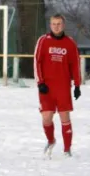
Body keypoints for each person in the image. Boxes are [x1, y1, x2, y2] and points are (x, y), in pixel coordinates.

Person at [34, 13, 81, 158]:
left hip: (63, 86)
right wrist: (40, 83)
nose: (56, 26)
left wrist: (77, 85)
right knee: (46, 117)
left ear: (63, 25)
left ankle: (67, 150)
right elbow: (37, 62)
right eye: (54, 24)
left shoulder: (70, 43)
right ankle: (51, 140)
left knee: (64, 116)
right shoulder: (43, 40)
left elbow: (75, 65)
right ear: (50, 25)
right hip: (46, 86)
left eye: (59, 24)